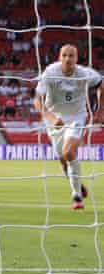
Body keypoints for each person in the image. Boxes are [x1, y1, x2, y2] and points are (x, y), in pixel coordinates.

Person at [34, 44, 103, 210]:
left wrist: (99, 110)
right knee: (63, 160)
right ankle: (78, 184)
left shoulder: (85, 74)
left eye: (71, 55)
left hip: (77, 117)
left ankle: (76, 196)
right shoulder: (50, 72)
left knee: (68, 152)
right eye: (64, 55)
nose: (68, 59)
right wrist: (51, 117)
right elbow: (38, 100)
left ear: (76, 58)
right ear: (59, 57)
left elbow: (101, 83)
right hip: (54, 119)